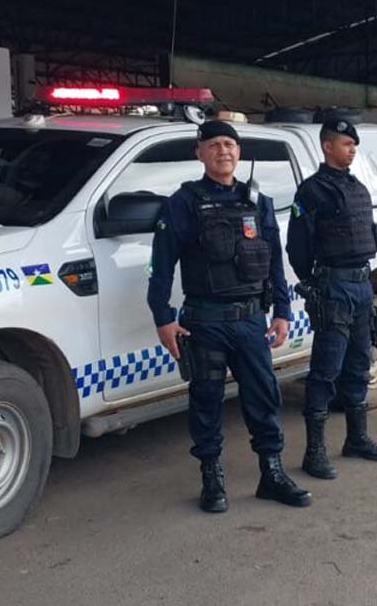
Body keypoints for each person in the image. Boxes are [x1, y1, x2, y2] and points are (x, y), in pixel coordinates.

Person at [148, 119, 311, 513]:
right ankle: (211, 478)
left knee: (263, 397)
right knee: (206, 400)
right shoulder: (183, 203)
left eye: (230, 144)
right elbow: (161, 266)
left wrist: (283, 311)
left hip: (251, 320)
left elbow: (274, 263)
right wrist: (163, 317)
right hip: (204, 321)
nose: (224, 151)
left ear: (239, 152)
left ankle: (271, 474)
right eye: (215, 144)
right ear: (199, 153)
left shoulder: (259, 202)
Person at [287, 119, 377, 481]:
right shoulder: (311, 191)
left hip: (362, 285)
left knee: (360, 363)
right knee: (325, 370)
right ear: (327, 146)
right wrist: (313, 283)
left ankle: (357, 438)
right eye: (346, 144)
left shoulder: (357, 187)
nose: (352, 150)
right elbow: (297, 246)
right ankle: (314, 451)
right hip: (333, 287)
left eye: (354, 144)